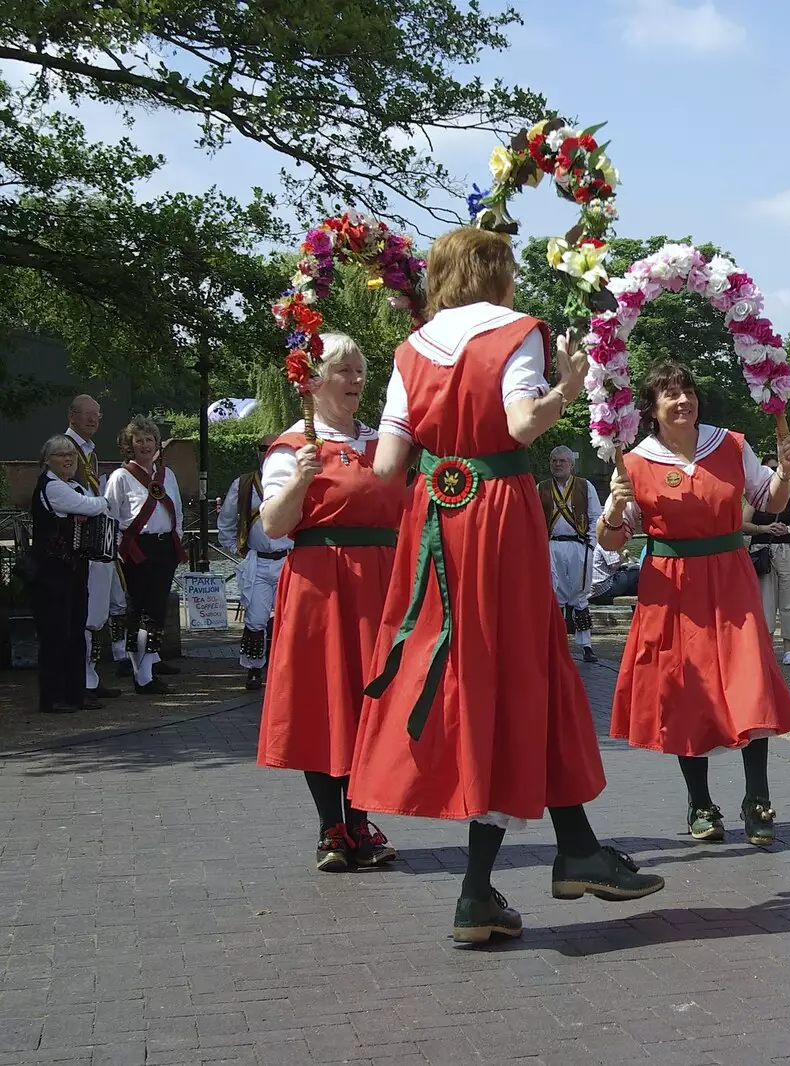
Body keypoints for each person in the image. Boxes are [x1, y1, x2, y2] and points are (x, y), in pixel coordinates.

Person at [351, 227, 662, 943]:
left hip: (436, 520)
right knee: (524, 675)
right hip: (498, 519)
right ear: (497, 273)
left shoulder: (412, 348)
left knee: (478, 679)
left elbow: (388, 466)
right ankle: (550, 861)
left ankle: (522, 874)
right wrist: (570, 386)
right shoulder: (517, 330)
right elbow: (523, 422)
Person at [600, 361, 790, 847]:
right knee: (685, 691)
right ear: (652, 409)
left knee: (750, 684)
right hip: (670, 590)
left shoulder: (731, 444)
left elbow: (771, 503)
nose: (683, 400)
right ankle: (700, 803)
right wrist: (612, 508)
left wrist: (788, 468)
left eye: (688, 390)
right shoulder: (634, 462)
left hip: (731, 579)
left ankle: (757, 799)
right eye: (670, 394)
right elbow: (612, 543)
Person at [257, 334, 407, 874]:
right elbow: (274, 526)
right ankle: (332, 828)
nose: (357, 380)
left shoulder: (384, 442)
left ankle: (361, 819)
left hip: (381, 584)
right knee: (325, 703)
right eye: (344, 370)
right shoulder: (293, 444)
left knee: (372, 701)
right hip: (321, 587)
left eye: (361, 370)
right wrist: (300, 477)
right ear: (312, 380)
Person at [30, 436, 112, 713]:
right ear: (47, 461)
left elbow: (88, 504)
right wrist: (91, 506)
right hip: (52, 571)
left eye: (72, 456)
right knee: (55, 634)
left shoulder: (73, 486)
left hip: (75, 570)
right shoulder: (51, 487)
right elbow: (93, 505)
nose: (68, 459)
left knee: (75, 631)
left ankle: (75, 693)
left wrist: (88, 506)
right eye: (61, 455)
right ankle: (52, 697)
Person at [104, 417, 185, 695]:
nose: (145, 445)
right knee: (139, 609)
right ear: (129, 446)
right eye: (138, 440)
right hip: (136, 547)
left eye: (149, 439)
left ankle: (147, 670)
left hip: (165, 547)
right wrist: (119, 552)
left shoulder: (167, 475)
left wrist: (178, 538)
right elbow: (111, 517)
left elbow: (179, 513)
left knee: (157, 609)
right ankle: (142, 676)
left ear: (156, 444)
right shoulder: (120, 477)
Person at [219, 436, 294, 690]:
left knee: (290, 618)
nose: (267, 453)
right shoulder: (243, 484)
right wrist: (240, 550)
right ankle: (253, 669)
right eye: (263, 448)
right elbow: (226, 523)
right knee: (256, 618)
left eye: (274, 448)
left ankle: (286, 668)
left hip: (289, 560)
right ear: (257, 452)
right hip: (258, 562)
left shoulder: (292, 480)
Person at [65, 396, 122, 700]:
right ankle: (82, 680)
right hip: (77, 541)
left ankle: (90, 676)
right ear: (71, 416)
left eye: (96, 416)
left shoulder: (91, 452)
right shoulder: (63, 448)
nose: (92, 421)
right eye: (86, 415)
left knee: (97, 612)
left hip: (95, 538)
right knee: (85, 613)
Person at [743, 454, 790, 665]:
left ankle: (789, 649)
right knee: (764, 599)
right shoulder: (756, 494)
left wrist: (789, 528)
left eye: (777, 468)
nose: (774, 473)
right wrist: (763, 528)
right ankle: (766, 647)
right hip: (762, 549)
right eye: (769, 469)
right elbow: (741, 523)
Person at [539, 445, 602, 663]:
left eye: (562, 461)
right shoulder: (542, 488)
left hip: (579, 546)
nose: (558, 464)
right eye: (554, 461)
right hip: (552, 546)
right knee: (555, 595)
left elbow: (596, 516)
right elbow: (535, 520)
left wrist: (592, 544)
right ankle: (556, 645)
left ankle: (586, 645)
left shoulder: (585, 486)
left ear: (571, 465)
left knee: (580, 594)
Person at [589, 536, 641, 604]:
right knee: (637, 573)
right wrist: (623, 555)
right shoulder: (606, 541)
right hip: (604, 588)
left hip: (589, 590)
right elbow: (614, 565)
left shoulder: (590, 540)